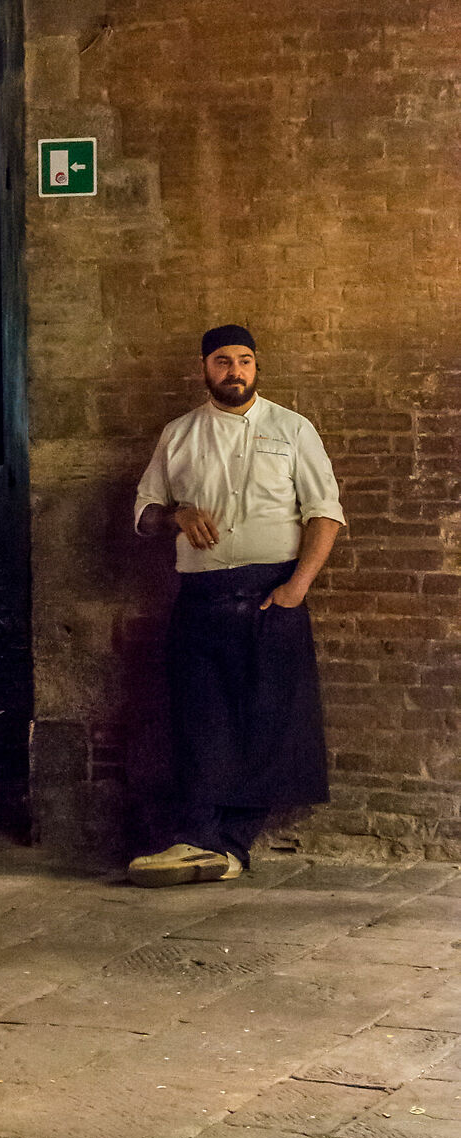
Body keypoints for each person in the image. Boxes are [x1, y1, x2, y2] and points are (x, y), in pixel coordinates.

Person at [128, 323, 344, 887]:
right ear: (204, 368)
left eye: (244, 360)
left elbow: (325, 513)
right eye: (222, 360)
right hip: (200, 596)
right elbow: (144, 514)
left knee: (267, 719)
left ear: (256, 366)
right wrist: (175, 516)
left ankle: (231, 846)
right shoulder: (179, 434)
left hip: (272, 591)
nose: (235, 371)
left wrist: (296, 588)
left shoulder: (292, 429)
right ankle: (198, 838)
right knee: (200, 718)